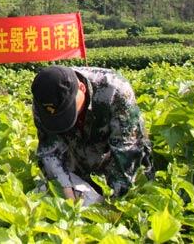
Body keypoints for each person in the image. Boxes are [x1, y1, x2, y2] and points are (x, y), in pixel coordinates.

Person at [31, 66, 153, 205]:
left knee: (132, 199)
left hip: (115, 159)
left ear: (82, 88)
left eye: (69, 110)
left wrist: (112, 203)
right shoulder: (44, 100)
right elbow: (49, 149)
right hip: (77, 156)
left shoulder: (114, 90)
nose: (68, 118)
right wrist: (65, 189)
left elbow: (127, 151)